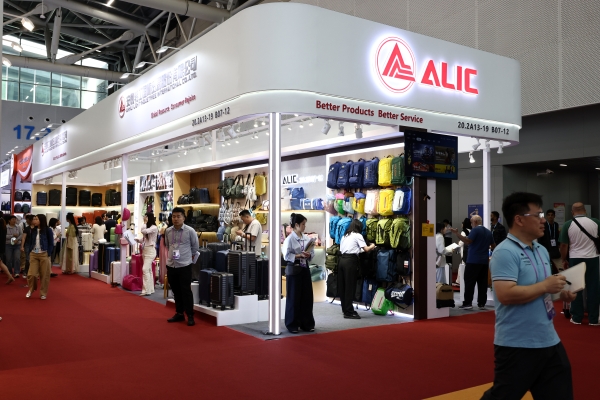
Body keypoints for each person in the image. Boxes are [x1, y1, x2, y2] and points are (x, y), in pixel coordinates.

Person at [482, 192, 575, 399]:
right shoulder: (505, 252)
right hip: (517, 344)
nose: (543, 220)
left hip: (549, 339)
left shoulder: (540, 250)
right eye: (538, 215)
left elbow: (541, 289)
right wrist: (545, 286)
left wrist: (560, 293)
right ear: (519, 219)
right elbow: (505, 294)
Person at [559, 202, 600, 326]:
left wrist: (564, 259)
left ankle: (577, 317)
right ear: (585, 211)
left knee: (575, 288)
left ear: (572, 212)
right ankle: (593, 319)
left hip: (575, 258)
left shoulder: (568, 224)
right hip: (593, 258)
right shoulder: (595, 222)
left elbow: (563, 245)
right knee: (593, 288)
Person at [450, 214, 494, 310]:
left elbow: (468, 241)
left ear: (475, 222)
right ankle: (481, 303)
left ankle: (468, 303)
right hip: (484, 261)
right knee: (482, 283)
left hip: (473, 260)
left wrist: (457, 234)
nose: (471, 224)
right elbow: (493, 245)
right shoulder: (488, 232)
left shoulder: (475, 230)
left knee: (469, 282)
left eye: (471, 222)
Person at [164, 207, 199, 326]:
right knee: (175, 290)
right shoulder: (168, 231)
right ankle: (179, 313)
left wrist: (187, 257)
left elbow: (195, 247)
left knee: (186, 291)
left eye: (178, 216)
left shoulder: (190, 231)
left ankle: (190, 315)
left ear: (184, 218)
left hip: (184, 265)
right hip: (171, 265)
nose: (176, 219)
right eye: (174, 216)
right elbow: (168, 245)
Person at [282, 213, 315, 334]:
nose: (304, 226)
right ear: (296, 225)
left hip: (305, 268)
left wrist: (309, 254)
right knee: (293, 297)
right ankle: (292, 324)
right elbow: (286, 256)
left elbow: (312, 253)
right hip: (294, 269)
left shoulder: (306, 238)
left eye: (305, 224)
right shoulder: (289, 239)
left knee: (307, 297)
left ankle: (307, 323)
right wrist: (299, 255)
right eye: (303, 224)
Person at [338, 219, 376, 319]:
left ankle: (345, 310)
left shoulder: (345, 236)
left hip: (341, 260)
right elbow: (366, 249)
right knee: (350, 286)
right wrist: (372, 245)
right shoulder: (358, 235)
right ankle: (349, 312)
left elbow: (349, 249)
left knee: (343, 287)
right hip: (350, 262)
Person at [25, 215, 54, 300]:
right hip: (33, 254)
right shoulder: (32, 230)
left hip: (44, 253)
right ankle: (31, 289)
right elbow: (30, 241)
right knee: (32, 274)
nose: (34, 220)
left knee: (44, 275)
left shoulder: (48, 230)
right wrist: (30, 251)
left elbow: (51, 243)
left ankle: (43, 293)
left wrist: (48, 253)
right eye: (34, 219)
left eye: (36, 219)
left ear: (41, 220)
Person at [138, 213, 158, 296]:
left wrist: (144, 223)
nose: (144, 218)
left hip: (150, 250)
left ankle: (146, 290)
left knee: (145, 269)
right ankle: (150, 289)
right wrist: (137, 240)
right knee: (148, 270)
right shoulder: (148, 227)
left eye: (145, 217)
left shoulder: (154, 227)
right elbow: (145, 238)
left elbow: (143, 231)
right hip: (145, 250)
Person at [538, 209, 561, 274]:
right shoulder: (544, 225)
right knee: (547, 263)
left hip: (555, 247)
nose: (550, 216)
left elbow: (557, 235)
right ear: (546, 216)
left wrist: (558, 245)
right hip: (546, 246)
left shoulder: (556, 224)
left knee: (556, 263)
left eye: (552, 215)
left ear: (554, 216)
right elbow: (540, 237)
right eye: (549, 215)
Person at [455, 217, 472, 286]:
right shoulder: (472, 230)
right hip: (471, 251)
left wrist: (458, 243)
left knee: (462, 265)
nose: (461, 224)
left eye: (462, 223)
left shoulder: (464, 231)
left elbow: (462, 242)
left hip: (464, 251)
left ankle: (460, 281)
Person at [0, 217, 15, 284]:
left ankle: (10, 276)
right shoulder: (4, 227)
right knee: (1, 263)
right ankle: (10, 276)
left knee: (1, 263)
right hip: (2, 247)